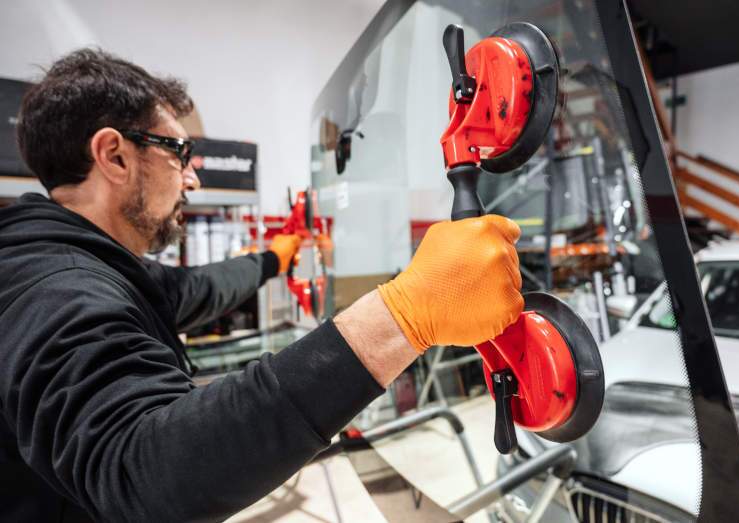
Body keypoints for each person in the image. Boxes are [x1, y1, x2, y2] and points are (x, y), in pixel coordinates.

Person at [0, 49, 523, 522]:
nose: (191, 179)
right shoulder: (57, 286)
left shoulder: (83, 261)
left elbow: (191, 291)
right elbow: (141, 471)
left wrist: (274, 257)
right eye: (179, 153)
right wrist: (406, 314)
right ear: (114, 156)